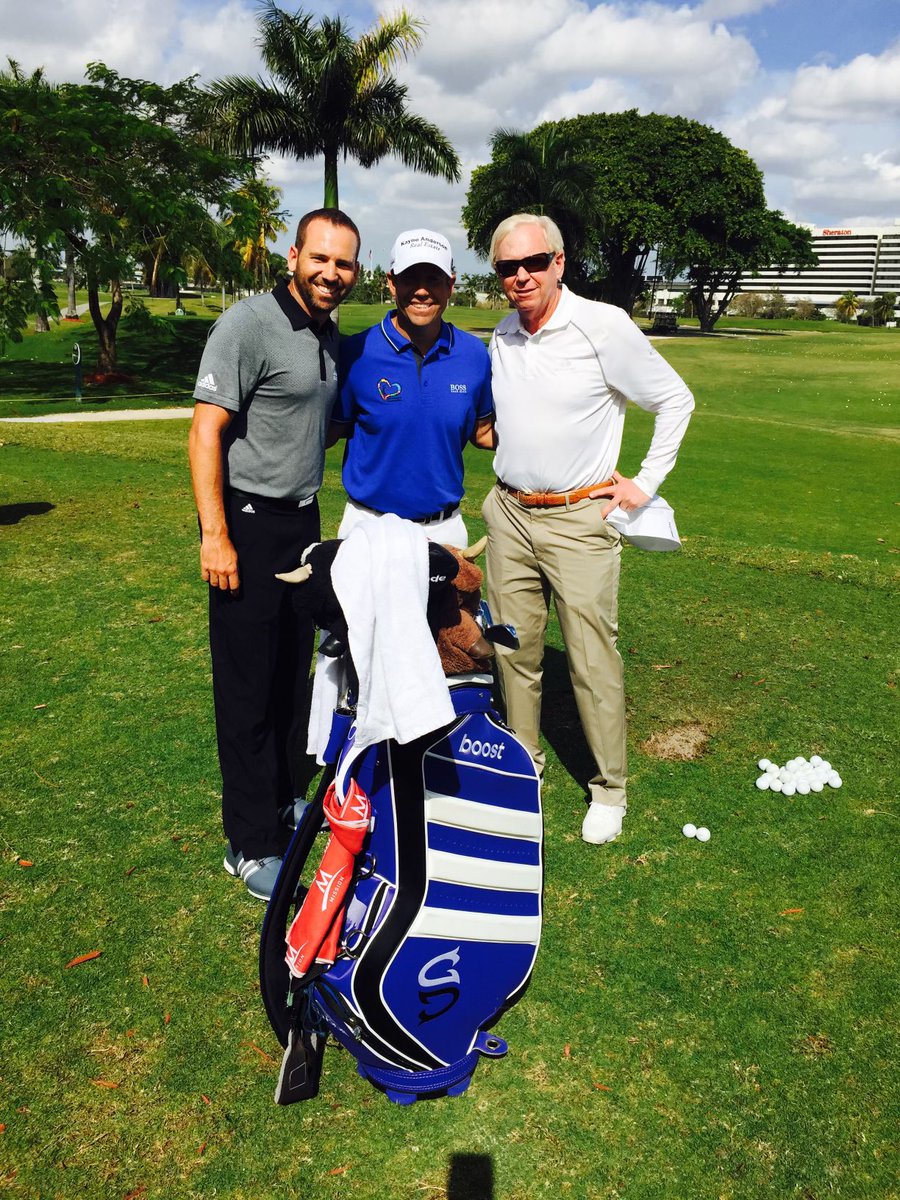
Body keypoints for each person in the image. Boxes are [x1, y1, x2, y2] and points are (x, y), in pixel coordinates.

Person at [482, 213, 694, 845]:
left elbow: (675, 399)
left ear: (559, 262)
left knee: (590, 657)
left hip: (578, 519)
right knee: (513, 649)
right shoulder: (502, 332)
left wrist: (646, 482)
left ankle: (609, 789)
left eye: (533, 263)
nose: (521, 276)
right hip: (509, 512)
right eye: (506, 267)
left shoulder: (603, 324)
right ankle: (525, 770)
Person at [188, 208, 360, 899]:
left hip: (303, 523)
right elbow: (206, 434)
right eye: (320, 258)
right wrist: (215, 533)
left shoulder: (327, 334)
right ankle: (248, 841)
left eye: (343, 263)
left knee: (292, 674)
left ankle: (286, 799)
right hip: (248, 523)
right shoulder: (248, 324)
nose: (331, 273)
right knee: (247, 686)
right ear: (293, 256)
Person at [331, 228, 494, 549]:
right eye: (409, 278)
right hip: (366, 525)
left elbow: (484, 432)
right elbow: (328, 432)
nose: (421, 291)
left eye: (433, 279)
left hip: (444, 529)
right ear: (391, 282)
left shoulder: (474, 354)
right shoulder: (356, 352)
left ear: (450, 285)